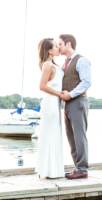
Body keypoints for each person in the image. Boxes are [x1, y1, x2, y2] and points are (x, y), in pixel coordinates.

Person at [59, 34, 91, 179]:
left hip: (78, 102)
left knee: (79, 136)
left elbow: (86, 82)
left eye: (60, 44)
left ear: (68, 44)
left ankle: (83, 169)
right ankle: (77, 168)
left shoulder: (81, 60)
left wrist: (70, 94)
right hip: (68, 104)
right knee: (71, 137)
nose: (58, 47)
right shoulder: (64, 63)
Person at [35, 38, 65, 178]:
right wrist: (59, 93)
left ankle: (53, 170)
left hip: (55, 103)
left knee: (55, 134)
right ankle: (49, 171)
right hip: (50, 103)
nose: (58, 48)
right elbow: (42, 86)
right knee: (50, 134)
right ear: (49, 50)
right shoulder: (47, 65)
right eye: (55, 46)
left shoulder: (55, 65)